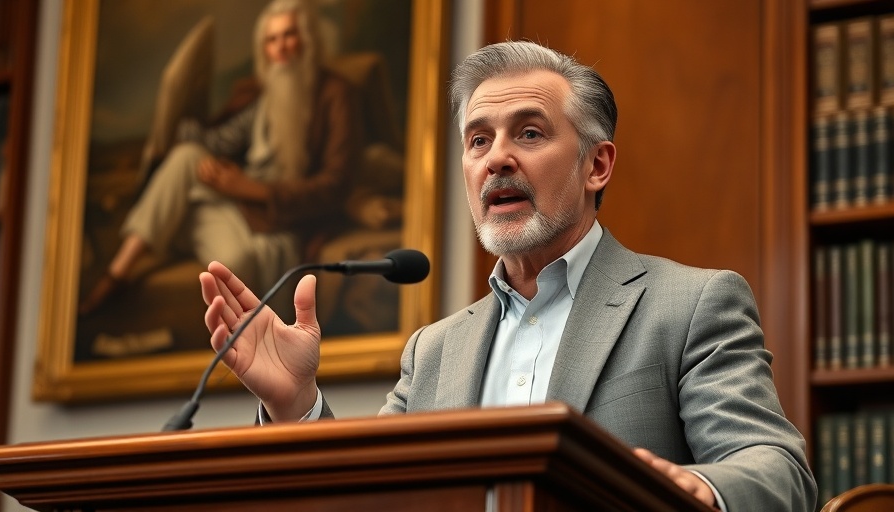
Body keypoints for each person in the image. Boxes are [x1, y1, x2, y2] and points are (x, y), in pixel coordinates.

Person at [199, 41, 817, 511]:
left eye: (529, 132)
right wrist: (297, 404)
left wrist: (694, 488)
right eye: (477, 140)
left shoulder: (690, 304)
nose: (497, 158)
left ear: (596, 164)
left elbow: (777, 467)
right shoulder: (433, 352)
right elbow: (368, 496)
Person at [78, 0, 361, 315]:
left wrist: (254, 189)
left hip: (278, 219)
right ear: (264, 48)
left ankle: (167, 229)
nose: (280, 47)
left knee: (237, 262)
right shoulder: (259, 99)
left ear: (307, 38)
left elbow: (336, 185)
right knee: (188, 156)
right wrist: (181, 124)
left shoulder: (336, 95)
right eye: (272, 39)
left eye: (289, 35)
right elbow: (218, 142)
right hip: (239, 208)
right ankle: (116, 274)